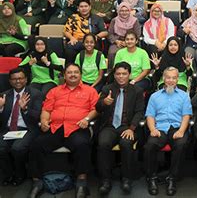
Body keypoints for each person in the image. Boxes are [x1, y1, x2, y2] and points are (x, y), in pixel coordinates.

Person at [28, 63, 99, 198]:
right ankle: (37, 182)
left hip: (78, 126)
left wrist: (87, 119)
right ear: (64, 75)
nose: (73, 75)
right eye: (69, 72)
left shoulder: (90, 91)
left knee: (82, 145)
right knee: (36, 144)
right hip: (56, 127)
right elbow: (46, 109)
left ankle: (81, 182)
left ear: (80, 74)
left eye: (76, 72)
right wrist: (44, 121)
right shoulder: (54, 91)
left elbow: (95, 109)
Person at [95, 62, 144, 195]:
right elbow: (98, 108)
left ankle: (126, 179)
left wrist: (132, 128)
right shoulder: (107, 89)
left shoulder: (137, 91)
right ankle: (105, 180)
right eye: (118, 74)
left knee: (126, 143)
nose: (121, 77)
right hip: (109, 126)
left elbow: (140, 112)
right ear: (114, 75)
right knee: (103, 143)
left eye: (124, 74)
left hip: (127, 126)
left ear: (129, 75)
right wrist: (104, 103)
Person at [144, 67, 192, 196]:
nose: (171, 80)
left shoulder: (184, 96)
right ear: (163, 79)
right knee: (150, 146)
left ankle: (172, 178)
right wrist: (152, 129)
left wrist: (182, 130)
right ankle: (152, 178)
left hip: (177, 128)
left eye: (174, 78)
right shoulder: (154, 96)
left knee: (181, 144)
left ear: (177, 79)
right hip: (159, 129)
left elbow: (186, 115)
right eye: (168, 77)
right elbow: (150, 116)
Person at [0, 68, 43, 187]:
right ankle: (8, 174)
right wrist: (0, 109)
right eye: (14, 79)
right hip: (8, 129)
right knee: (1, 148)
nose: (17, 81)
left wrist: (25, 109)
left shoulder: (35, 94)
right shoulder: (4, 95)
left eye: (20, 78)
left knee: (17, 148)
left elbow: (37, 116)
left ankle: (20, 174)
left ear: (26, 79)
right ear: (9, 81)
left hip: (28, 129)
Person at [63, 0, 108, 64]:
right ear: (78, 8)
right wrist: (71, 38)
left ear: (90, 7)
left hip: (92, 42)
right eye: (81, 7)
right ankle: (69, 70)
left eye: (86, 6)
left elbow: (105, 32)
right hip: (77, 42)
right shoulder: (73, 17)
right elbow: (66, 31)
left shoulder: (97, 18)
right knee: (69, 49)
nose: (84, 8)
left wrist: (96, 36)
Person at [107, 2, 141, 67]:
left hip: (131, 41)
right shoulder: (114, 20)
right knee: (112, 53)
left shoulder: (135, 20)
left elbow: (138, 34)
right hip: (117, 41)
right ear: (118, 11)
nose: (124, 12)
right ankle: (112, 71)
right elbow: (110, 34)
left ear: (129, 11)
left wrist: (128, 42)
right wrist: (116, 41)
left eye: (126, 10)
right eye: (122, 11)